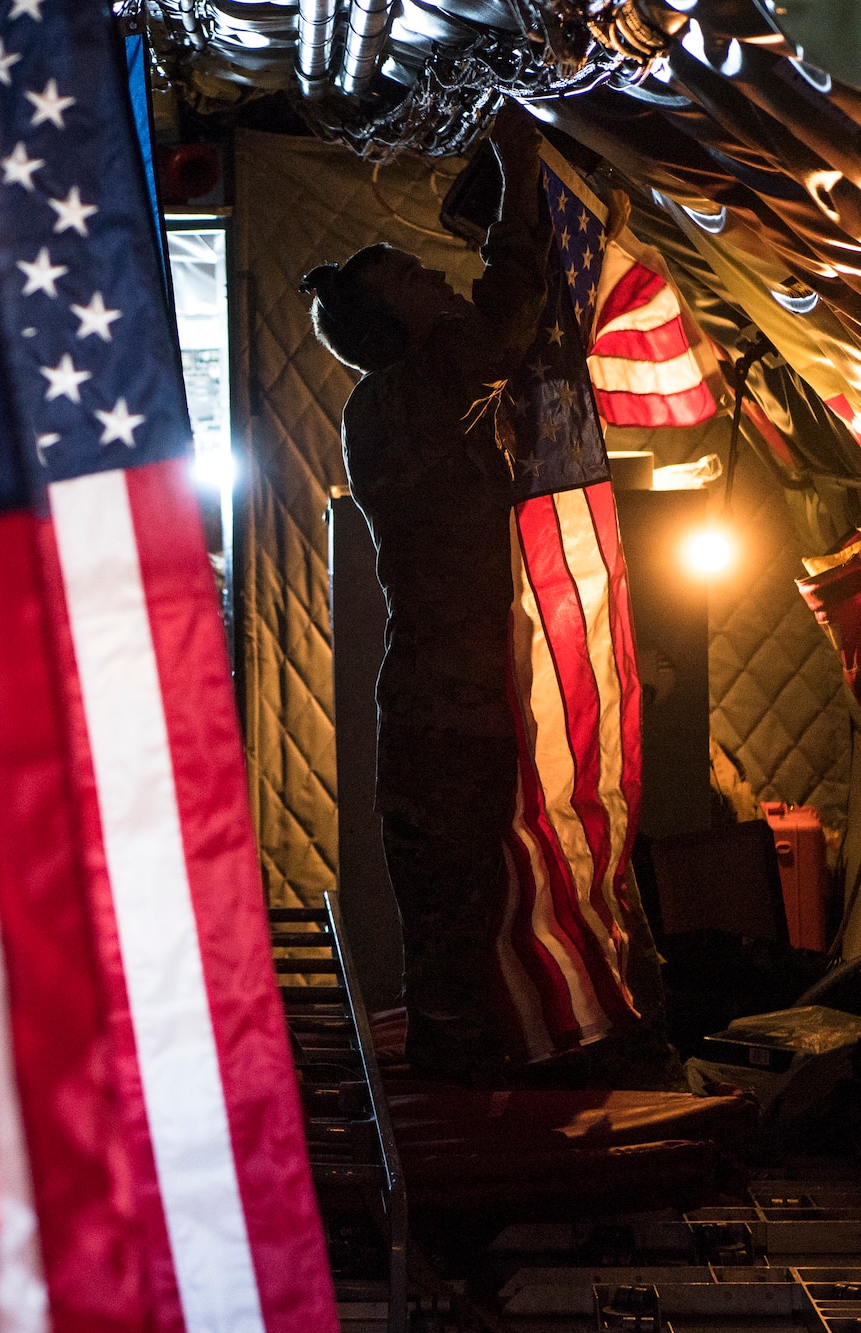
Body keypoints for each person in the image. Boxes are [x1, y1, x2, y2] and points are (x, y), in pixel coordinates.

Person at [303, 105, 674, 1085]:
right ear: (387, 324)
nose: (431, 275)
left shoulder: (422, 399)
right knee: (456, 921)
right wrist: (515, 176)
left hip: (462, 706)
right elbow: (507, 320)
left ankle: (497, 1076)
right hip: (449, 714)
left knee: (482, 909)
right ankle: (463, 1126)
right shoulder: (396, 399)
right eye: (405, 278)